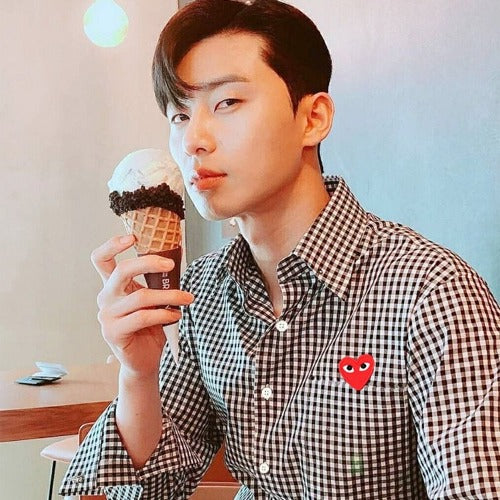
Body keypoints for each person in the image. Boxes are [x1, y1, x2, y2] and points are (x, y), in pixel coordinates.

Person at [60, 0, 499, 498]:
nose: (193, 140)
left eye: (227, 102)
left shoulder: (434, 294)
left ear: (313, 118)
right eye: (179, 115)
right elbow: (151, 488)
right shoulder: (199, 292)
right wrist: (138, 374)